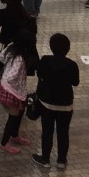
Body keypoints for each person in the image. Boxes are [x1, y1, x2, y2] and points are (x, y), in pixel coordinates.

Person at [32, 32, 79, 170]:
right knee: (63, 132)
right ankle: (61, 161)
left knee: (47, 131)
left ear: (51, 47)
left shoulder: (45, 60)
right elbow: (75, 82)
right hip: (66, 105)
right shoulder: (72, 65)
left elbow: (39, 74)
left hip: (47, 103)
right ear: (68, 48)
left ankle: (45, 159)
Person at [0, 28, 39, 155]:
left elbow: (0, 57)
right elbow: (11, 77)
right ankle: (4, 143)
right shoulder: (20, 59)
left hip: (8, 87)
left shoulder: (11, 47)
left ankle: (15, 135)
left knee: (20, 112)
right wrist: (17, 79)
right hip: (13, 91)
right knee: (13, 117)